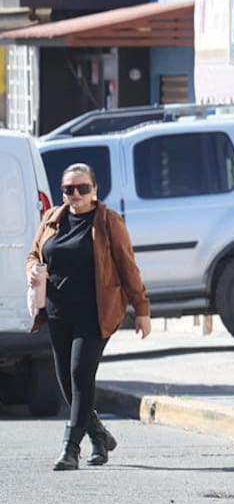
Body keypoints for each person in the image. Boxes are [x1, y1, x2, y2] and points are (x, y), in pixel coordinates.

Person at [26, 163, 152, 471]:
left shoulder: (109, 221)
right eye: (70, 189)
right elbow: (34, 254)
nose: (76, 194)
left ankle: (70, 449)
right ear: (63, 192)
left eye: (83, 188)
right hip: (57, 313)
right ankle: (100, 436)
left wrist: (142, 309)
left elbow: (128, 267)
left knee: (81, 375)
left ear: (95, 190)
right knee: (67, 384)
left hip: (96, 314)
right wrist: (31, 270)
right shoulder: (52, 219)